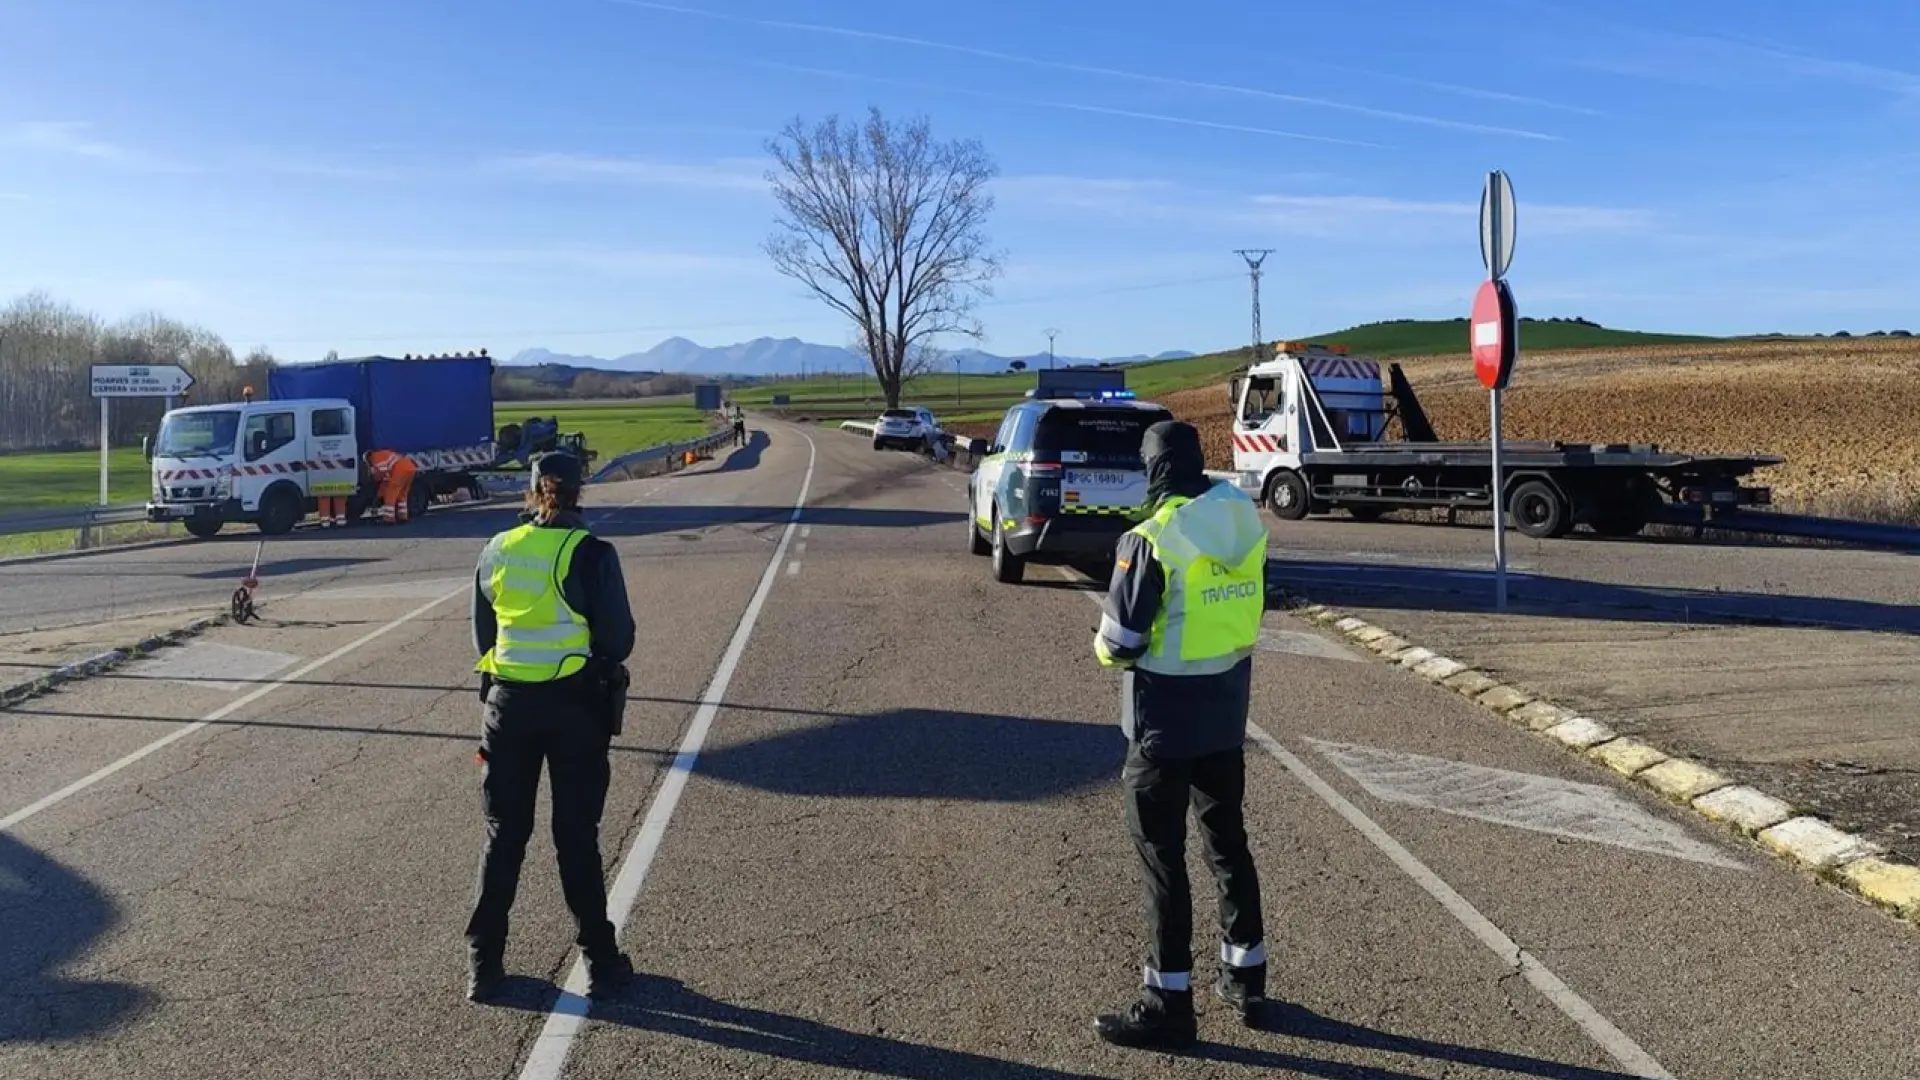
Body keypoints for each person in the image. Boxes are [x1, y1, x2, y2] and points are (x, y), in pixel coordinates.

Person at [1091, 420, 1270, 1050]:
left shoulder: (1151, 539)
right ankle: (1245, 979)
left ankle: (1167, 1003)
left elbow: (1118, 644)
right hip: (1225, 715)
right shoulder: (1242, 521)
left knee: (1162, 859)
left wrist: (1107, 643)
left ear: (1155, 470)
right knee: (1228, 843)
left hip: (1163, 725)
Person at [465, 451, 637, 1003]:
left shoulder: (498, 549)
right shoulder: (591, 553)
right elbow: (618, 640)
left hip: (508, 707)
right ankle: (600, 963)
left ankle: (484, 965)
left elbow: (484, 637)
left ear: (533, 490)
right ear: (579, 491)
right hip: (574, 709)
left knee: (504, 836)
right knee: (576, 837)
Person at [365, 448, 417, 525]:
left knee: (390, 494)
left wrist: (374, 477)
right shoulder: (383, 454)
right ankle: (403, 517)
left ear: (368, 458)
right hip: (410, 467)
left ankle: (389, 519)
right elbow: (385, 480)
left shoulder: (375, 457)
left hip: (400, 469)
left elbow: (381, 472)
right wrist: (379, 494)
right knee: (402, 495)